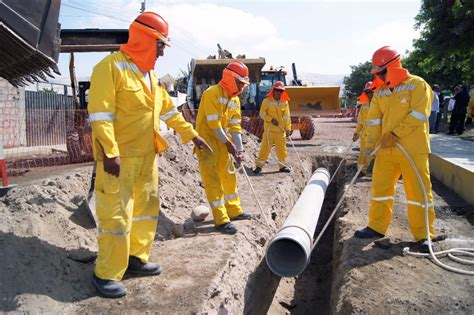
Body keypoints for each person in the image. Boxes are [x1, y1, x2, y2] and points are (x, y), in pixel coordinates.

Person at [87, 11, 211, 298]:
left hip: (147, 156)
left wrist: (191, 133)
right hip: (118, 160)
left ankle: (135, 259)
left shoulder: (151, 76)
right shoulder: (110, 68)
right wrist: (110, 153)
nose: (162, 53)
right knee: (116, 217)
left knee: (145, 211)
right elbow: (101, 115)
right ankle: (106, 273)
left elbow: (168, 111)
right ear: (145, 39)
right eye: (159, 45)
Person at [354, 46, 435, 253]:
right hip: (385, 150)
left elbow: (419, 114)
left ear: (392, 66)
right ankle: (376, 227)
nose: (379, 77)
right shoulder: (380, 92)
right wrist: (368, 149)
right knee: (380, 189)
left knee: (418, 192)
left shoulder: (417, 85)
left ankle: (424, 235)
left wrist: (396, 133)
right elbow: (373, 122)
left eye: (381, 72)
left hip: (412, 149)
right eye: (377, 74)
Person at [195, 61, 253, 235]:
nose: (242, 87)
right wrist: (229, 145)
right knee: (213, 182)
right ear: (230, 78)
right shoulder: (211, 93)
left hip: (222, 143)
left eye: (244, 83)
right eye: (240, 82)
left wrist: (239, 149)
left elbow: (235, 126)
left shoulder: (234, 99)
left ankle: (234, 211)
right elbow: (214, 124)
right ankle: (221, 220)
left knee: (229, 178)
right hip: (207, 145)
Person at [254, 81, 292, 174]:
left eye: (281, 91)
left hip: (280, 131)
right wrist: (270, 119)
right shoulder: (267, 101)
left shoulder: (285, 102)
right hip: (269, 131)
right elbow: (262, 113)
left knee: (282, 150)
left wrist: (288, 129)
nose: (279, 92)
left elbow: (287, 116)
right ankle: (259, 167)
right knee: (264, 149)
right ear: (273, 90)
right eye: (277, 90)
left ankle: (282, 166)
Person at [352, 81, 377, 176]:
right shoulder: (364, 106)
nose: (369, 94)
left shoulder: (380, 104)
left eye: (370, 91)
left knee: (374, 154)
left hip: (376, 135)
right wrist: (356, 133)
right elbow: (360, 122)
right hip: (365, 135)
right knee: (363, 154)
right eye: (367, 92)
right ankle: (361, 171)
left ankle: (372, 172)